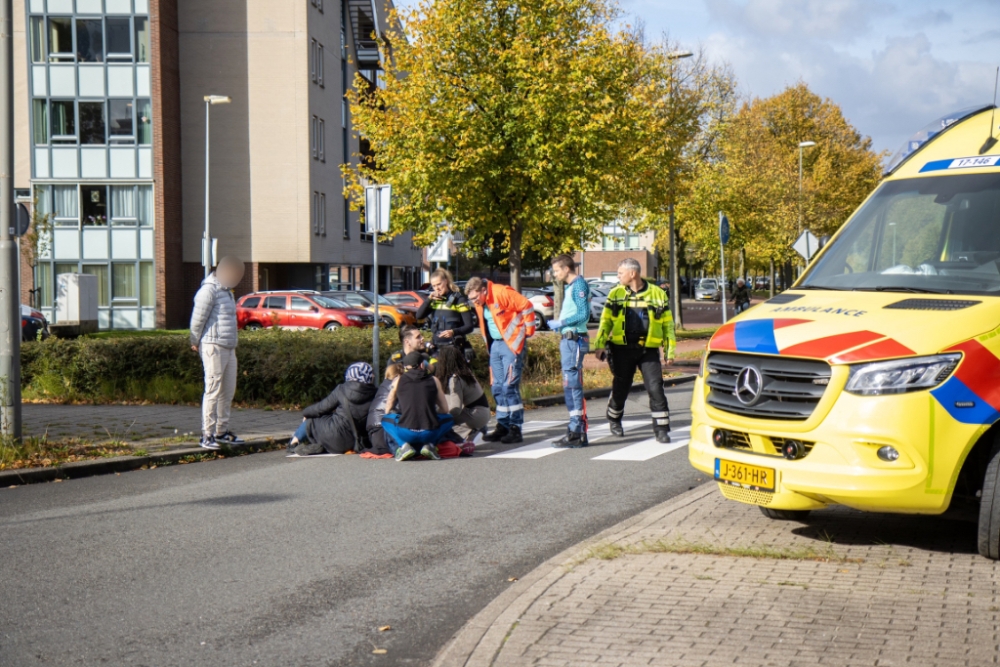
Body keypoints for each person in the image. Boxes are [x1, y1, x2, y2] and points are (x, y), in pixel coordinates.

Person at [595, 258, 676, 443]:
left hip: (648, 351)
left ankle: (662, 429)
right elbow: (605, 321)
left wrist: (669, 351)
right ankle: (614, 419)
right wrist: (599, 344)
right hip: (622, 349)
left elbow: (668, 326)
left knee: (656, 388)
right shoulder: (615, 294)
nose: (618, 277)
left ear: (633, 273)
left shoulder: (658, 294)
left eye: (620, 273)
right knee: (621, 386)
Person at [465, 276, 537, 444]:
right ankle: (503, 425)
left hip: (511, 344)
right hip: (495, 345)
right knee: (497, 387)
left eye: (476, 298)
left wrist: (529, 331)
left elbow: (526, 306)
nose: (475, 302)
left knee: (509, 386)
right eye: (472, 300)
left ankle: (515, 427)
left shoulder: (501, 292)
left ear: (483, 291)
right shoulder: (480, 302)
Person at [190, 256, 245, 450]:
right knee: (213, 389)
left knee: (227, 391)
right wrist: (194, 340)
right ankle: (207, 434)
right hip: (213, 345)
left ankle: (221, 432)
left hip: (229, 347)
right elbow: (198, 318)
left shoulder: (227, 291)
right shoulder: (209, 290)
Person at [546, 254, 592, 448]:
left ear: (566, 269)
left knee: (572, 384)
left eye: (557, 270)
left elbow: (583, 314)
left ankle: (577, 430)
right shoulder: (572, 286)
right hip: (569, 339)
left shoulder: (579, 285)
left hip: (574, 339)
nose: (555, 274)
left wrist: (562, 322)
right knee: (570, 384)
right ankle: (576, 430)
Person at [288, 362, 378, 455]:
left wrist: (305, 413)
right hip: (357, 442)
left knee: (311, 420)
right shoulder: (376, 393)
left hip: (334, 437)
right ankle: (322, 446)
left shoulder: (341, 389)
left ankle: (293, 444)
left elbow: (321, 408)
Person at [382, 352, 454, 461]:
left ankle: (404, 445)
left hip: (406, 432)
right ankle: (430, 445)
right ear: (421, 365)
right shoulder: (434, 380)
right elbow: (445, 409)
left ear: (405, 367)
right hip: (429, 432)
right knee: (449, 419)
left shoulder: (398, 381)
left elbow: (388, 407)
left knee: (385, 419)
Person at [434, 345, 490, 443]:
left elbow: (456, 409)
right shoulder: (465, 372)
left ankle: (472, 432)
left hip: (476, 415)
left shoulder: (455, 379)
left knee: (441, 422)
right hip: (483, 412)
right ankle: (478, 428)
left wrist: (440, 416)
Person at [415, 268, 475, 360]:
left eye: (439, 284)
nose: (437, 288)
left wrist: (453, 332)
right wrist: (429, 299)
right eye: (434, 286)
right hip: (436, 349)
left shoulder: (459, 300)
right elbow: (419, 316)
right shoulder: (434, 301)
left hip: (454, 349)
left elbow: (469, 326)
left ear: (446, 281)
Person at [366, 363, 403, 455]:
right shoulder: (396, 386)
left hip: (374, 433)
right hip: (384, 432)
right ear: (398, 375)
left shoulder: (382, 386)